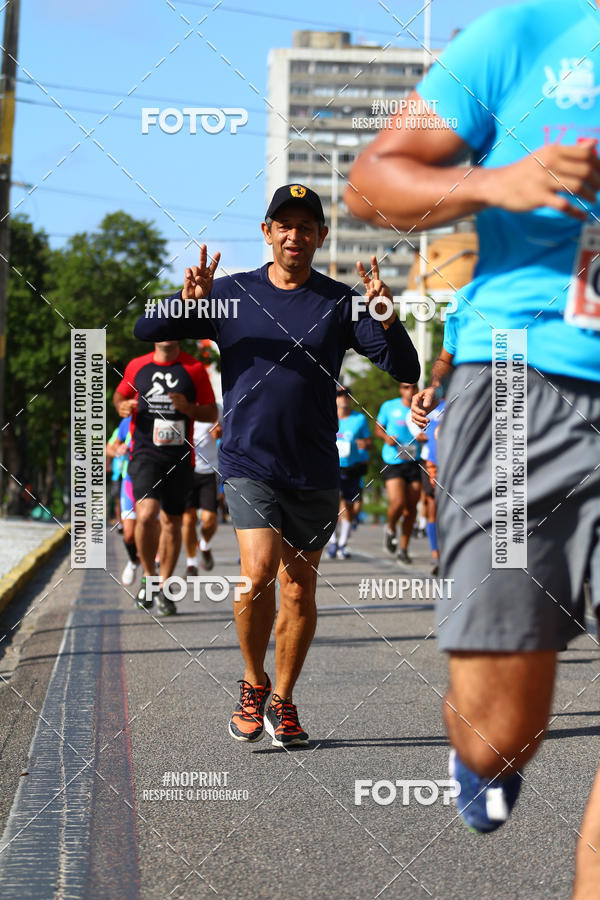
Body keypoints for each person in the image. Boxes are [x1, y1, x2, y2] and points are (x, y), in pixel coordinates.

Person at [345, 1, 600, 887]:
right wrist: (498, 183)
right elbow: (372, 182)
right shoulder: (528, 33)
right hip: (524, 384)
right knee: (502, 731)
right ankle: (483, 757)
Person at [134, 183, 419, 747]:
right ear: (267, 232)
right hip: (249, 461)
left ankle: (283, 699)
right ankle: (252, 680)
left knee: (298, 589)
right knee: (258, 572)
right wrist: (185, 303)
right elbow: (147, 328)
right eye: (284, 225)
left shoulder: (340, 301)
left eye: (305, 226)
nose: (295, 235)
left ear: (321, 236)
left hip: (313, 466)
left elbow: (404, 367)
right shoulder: (230, 294)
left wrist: (386, 316)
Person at [113, 341, 216, 615]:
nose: (166, 334)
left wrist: (189, 409)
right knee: (146, 514)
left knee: (172, 521)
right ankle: (149, 577)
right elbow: (119, 397)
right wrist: (122, 406)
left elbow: (211, 412)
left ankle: (165, 586)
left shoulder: (194, 368)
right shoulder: (138, 365)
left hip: (179, 458)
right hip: (144, 453)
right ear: (154, 336)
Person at [375, 383, 425, 565]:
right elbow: (378, 428)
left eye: (413, 387)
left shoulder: (421, 408)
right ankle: (390, 529)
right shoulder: (389, 406)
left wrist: (425, 437)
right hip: (393, 461)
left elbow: (429, 428)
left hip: (413, 460)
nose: (409, 390)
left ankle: (403, 549)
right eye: (405, 387)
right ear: (400, 389)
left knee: (411, 507)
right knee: (398, 502)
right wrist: (385, 437)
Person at [327, 387, 372, 559]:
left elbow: (369, 442)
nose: (343, 398)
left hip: (352, 468)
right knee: (334, 503)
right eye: (339, 394)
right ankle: (333, 542)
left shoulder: (359, 419)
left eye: (347, 394)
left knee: (349, 505)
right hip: (332, 467)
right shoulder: (328, 416)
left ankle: (343, 544)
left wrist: (364, 444)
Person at [182, 402, 223, 575]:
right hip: (186, 470)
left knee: (209, 519)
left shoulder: (216, 408)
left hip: (208, 471)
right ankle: (191, 563)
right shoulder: (182, 406)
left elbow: (231, 430)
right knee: (188, 520)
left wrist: (221, 432)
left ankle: (204, 544)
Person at [106, 415, 139, 585]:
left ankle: (153, 583)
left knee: (151, 530)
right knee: (129, 535)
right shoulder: (127, 422)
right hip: (128, 480)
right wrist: (118, 451)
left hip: (154, 482)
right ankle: (133, 561)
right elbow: (109, 448)